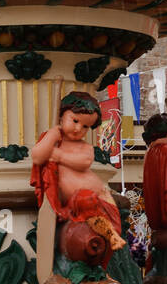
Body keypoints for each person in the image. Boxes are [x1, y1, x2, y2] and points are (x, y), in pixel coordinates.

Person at [30, 91, 126, 268]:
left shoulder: (84, 147)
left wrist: (58, 156)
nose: (78, 129)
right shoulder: (52, 139)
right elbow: (37, 156)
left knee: (112, 233)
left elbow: (83, 163)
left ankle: (103, 264)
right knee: (89, 220)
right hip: (78, 203)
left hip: (102, 199)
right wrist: (52, 135)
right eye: (75, 121)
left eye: (85, 127)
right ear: (61, 116)